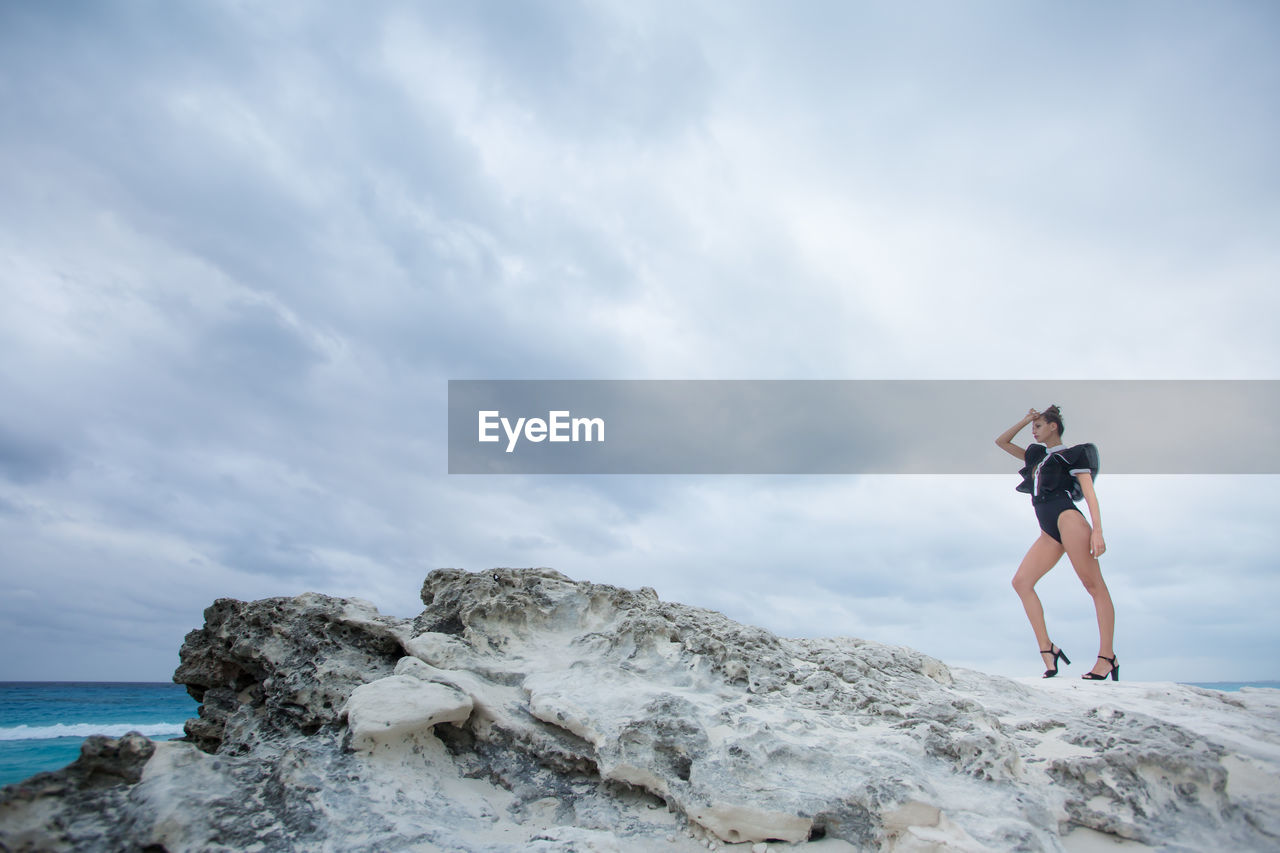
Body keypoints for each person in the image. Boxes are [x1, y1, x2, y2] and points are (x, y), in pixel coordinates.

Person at [994, 405, 1119, 681]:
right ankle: (1047, 648)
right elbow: (1001, 442)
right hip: (1047, 530)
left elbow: (1090, 495)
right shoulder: (1036, 457)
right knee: (1021, 582)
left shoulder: (1073, 455)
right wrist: (1026, 418)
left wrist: (1097, 530)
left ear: (1053, 427)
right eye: (1032, 427)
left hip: (1068, 520)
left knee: (1094, 586)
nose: (1033, 431)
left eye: (1038, 426)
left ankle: (1107, 657)